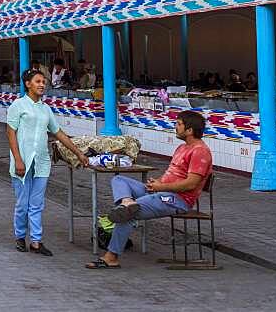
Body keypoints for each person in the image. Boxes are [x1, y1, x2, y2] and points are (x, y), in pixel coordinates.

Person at [87, 110, 213, 269]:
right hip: (161, 191)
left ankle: (111, 257)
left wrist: (161, 187)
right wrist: (157, 183)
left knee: (129, 213)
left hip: (177, 200)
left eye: (179, 124)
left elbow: (191, 184)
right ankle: (127, 202)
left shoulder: (200, 151)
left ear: (189, 130)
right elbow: (173, 174)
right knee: (119, 180)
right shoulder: (182, 148)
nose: (175, 127)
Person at [7, 69, 89, 255]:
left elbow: (58, 132)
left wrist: (78, 153)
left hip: (42, 162)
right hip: (23, 162)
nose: (42, 84)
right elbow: (10, 132)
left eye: (44, 81)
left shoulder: (46, 109)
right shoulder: (18, 105)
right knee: (22, 203)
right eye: (38, 81)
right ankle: (20, 236)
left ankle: (36, 241)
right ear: (28, 84)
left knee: (36, 204)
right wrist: (18, 159)